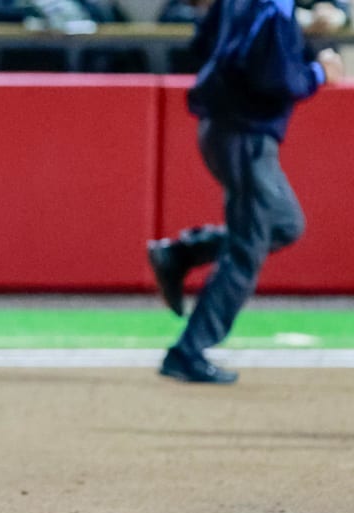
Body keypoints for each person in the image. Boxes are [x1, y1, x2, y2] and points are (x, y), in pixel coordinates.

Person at [146, 0, 343, 383]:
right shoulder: (273, 6)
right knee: (247, 247)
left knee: (285, 224)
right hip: (244, 134)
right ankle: (188, 350)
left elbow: (202, 43)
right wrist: (319, 71)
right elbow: (273, 78)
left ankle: (182, 253)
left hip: (226, 126)